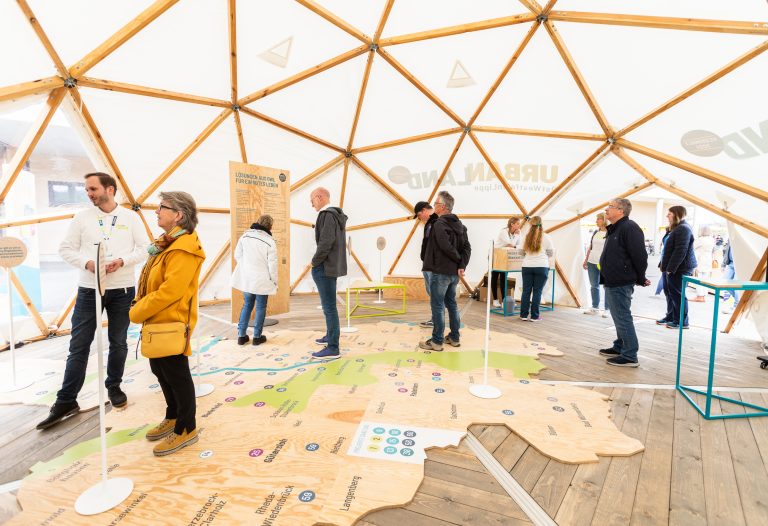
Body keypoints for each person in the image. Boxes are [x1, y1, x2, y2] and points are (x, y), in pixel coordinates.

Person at [36, 173, 147, 431]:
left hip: (122, 289)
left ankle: (114, 387)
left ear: (110, 189)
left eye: (93, 189)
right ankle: (66, 400)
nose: (89, 193)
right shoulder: (82, 218)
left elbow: (145, 248)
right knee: (79, 345)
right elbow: (65, 249)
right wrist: (87, 263)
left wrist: (122, 261)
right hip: (88, 289)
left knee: (118, 342)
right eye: (87, 189)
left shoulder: (131, 218)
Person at [129, 191, 206, 456]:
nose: (156, 211)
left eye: (162, 207)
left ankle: (186, 429)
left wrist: (137, 311)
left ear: (178, 215)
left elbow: (170, 292)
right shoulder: (167, 244)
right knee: (161, 372)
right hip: (157, 320)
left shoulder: (183, 249)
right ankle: (173, 417)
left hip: (170, 322)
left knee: (177, 376)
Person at [598, 198, 650, 367]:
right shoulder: (616, 228)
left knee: (622, 316)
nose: (606, 209)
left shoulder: (629, 227)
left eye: (610, 207)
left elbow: (640, 255)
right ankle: (620, 346)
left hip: (621, 280)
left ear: (620, 210)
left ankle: (629, 355)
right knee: (618, 316)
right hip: (613, 279)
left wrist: (640, 277)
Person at [419, 191, 470, 351]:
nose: (434, 206)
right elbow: (467, 248)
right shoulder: (461, 225)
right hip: (453, 273)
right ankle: (454, 338)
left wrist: (457, 260)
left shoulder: (439, 224)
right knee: (452, 304)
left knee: (438, 305)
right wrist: (461, 264)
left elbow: (444, 246)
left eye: (435, 204)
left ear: (442, 206)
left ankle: (437, 341)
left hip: (440, 270)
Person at [309, 187, 347, 359]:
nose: (312, 205)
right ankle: (330, 336)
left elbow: (326, 242)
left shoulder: (326, 215)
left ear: (319, 197)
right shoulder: (335, 215)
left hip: (324, 267)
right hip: (331, 266)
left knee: (329, 307)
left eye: (312, 200)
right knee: (328, 306)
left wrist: (314, 262)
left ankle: (333, 347)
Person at [231, 215, 277, 346]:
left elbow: (237, 255)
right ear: (270, 227)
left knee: (247, 305)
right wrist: (274, 281)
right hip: (262, 280)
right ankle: (257, 337)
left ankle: (241, 336)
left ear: (258, 223)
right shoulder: (270, 242)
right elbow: (272, 265)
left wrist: (246, 267)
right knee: (261, 307)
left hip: (247, 279)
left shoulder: (245, 237)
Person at [659, 206, 696, 329]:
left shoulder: (683, 228)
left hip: (680, 268)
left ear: (676, 215)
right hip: (670, 267)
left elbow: (681, 250)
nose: (667, 216)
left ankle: (681, 322)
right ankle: (671, 317)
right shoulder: (674, 228)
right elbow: (667, 249)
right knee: (669, 292)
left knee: (677, 294)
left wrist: (670, 268)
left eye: (669, 214)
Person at [519, 216, 554, 322]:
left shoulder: (526, 237)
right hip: (542, 266)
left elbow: (521, 252)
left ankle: (523, 315)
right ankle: (535, 316)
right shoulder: (546, 237)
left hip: (527, 266)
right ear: (541, 224)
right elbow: (550, 253)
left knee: (526, 291)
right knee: (537, 291)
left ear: (530, 224)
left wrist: (528, 257)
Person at [414, 201, 436, 328]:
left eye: (418, 215)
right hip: (427, 264)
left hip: (433, 265)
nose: (419, 218)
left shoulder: (436, 222)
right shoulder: (429, 224)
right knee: (431, 293)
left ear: (424, 210)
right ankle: (435, 319)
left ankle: (436, 320)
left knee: (435, 294)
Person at [582, 213, 609, 317]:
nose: (596, 221)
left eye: (598, 219)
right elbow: (591, 247)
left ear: (604, 220)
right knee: (594, 286)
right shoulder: (595, 232)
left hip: (604, 263)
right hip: (592, 262)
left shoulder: (610, 233)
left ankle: (607, 309)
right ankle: (595, 308)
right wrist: (586, 260)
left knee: (607, 286)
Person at [492, 217, 522, 308]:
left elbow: (519, 244)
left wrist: (518, 236)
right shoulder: (503, 232)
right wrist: (516, 237)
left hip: (506, 256)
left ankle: (504, 301)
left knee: (504, 278)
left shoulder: (518, 232)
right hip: (497, 256)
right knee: (495, 277)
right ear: (512, 224)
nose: (519, 225)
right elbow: (510, 244)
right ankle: (495, 300)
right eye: (517, 223)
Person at [692, 225, 715, 303]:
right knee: (705, 278)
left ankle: (700, 296)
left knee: (699, 278)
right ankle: (704, 295)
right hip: (708, 259)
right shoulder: (712, 240)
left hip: (700, 259)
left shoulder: (700, 239)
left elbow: (693, 248)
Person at [721, 241, 739, 314]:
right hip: (730, 263)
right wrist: (723, 264)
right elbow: (727, 250)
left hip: (739, 264)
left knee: (736, 286)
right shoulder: (731, 236)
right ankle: (739, 301)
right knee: (725, 283)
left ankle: (736, 306)